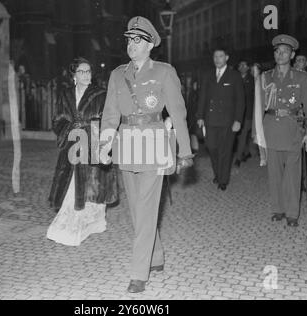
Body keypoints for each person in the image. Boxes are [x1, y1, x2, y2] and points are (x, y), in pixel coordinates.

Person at [100, 16, 193, 293]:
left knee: (147, 206)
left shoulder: (164, 72)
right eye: (129, 39)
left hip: (154, 144)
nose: (131, 45)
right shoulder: (117, 74)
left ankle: (139, 273)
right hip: (127, 145)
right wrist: (104, 145)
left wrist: (185, 151)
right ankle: (156, 256)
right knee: (137, 210)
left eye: (137, 40)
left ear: (150, 44)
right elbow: (109, 116)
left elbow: (178, 112)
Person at [47, 57, 119, 246]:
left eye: (88, 71)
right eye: (82, 72)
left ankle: (92, 224)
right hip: (72, 145)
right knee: (72, 187)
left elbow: (108, 119)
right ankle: (69, 227)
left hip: (93, 143)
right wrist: (71, 127)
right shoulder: (66, 95)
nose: (86, 75)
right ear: (74, 76)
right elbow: (57, 118)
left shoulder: (100, 94)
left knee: (93, 186)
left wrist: (92, 132)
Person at [256, 34, 307, 228]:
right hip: (271, 128)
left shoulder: (302, 77)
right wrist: (256, 132)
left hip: (293, 129)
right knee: (274, 173)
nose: (280, 54)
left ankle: (292, 213)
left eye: (285, 52)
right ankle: (278, 209)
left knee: (292, 174)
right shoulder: (265, 77)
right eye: (277, 51)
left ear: (292, 55)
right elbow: (257, 109)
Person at [197, 48, 245, 191]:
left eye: (221, 56)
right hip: (210, 120)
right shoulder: (208, 75)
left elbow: (240, 100)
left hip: (228, 121)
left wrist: (238, 120)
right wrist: (200, 116)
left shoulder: (234, 76)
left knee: (225, 150)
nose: (218, 59)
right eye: (215, 56)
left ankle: (222, 179)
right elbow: (203, 97)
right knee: (211, 147)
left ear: (227, 57)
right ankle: (218, 173)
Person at [235, 60, 256, 167]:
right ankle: (247, 152)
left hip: (247, 113)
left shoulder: (252, 80)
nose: (242, 66)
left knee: (242, 135)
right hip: (236, 113)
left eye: (245, 64)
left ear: (248, 68)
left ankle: (238, 158)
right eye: (240, 64)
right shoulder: (234, 78)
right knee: (240, 136)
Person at [187, 80, 200, 152]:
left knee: (195, 131)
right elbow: (190, 106)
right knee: (193, 132)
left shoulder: (198, 94)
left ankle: (196, 147)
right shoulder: (192, 94)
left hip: (196, 115)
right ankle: (194, 147)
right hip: (192, 115)